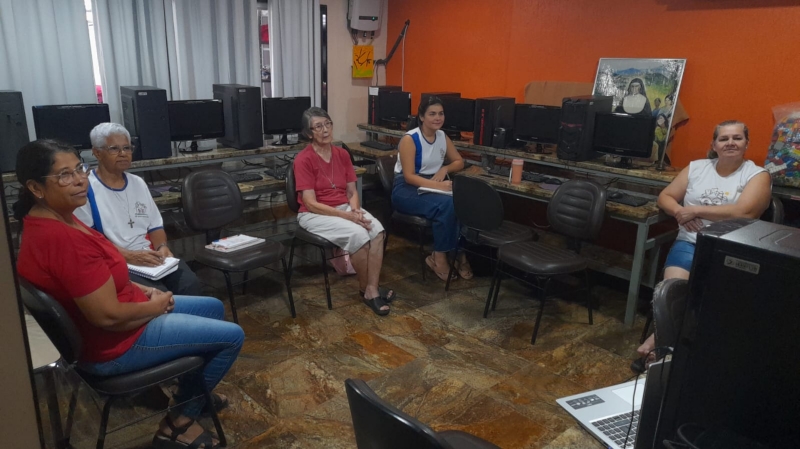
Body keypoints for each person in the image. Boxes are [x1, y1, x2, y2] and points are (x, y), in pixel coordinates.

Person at [14, 139, 244, 449]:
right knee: (232, 337)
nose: (80, 180)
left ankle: (193, 394)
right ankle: (179, 422)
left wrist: (142, 289)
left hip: (121, 319)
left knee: (213, 307)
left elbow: (102, 277)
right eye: (64, 175)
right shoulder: (62, 240)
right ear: (36, 187)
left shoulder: (57, 218)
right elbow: (107, 316)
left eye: (79, 169)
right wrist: (156, 306)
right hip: (114, 345)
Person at [637, 120, 771, 360]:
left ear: (746, 143)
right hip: (689, 243)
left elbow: (745, 212)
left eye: (737, 138)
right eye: (724, 138)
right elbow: (665, 196)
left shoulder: (757, 175)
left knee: (709, 299)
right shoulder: (697, 168)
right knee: (673, 292)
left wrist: (695, 210)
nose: (730, 143)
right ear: (714, 144)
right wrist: (680, 211)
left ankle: (661, 342)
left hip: (730, 250)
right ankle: (667, 351)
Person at [74, 123, 202, 296]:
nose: (123, 153)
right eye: (114, 149)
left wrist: (162, 247)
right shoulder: (86, 190)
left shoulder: (138, 183)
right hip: (117, 260)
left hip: (149, 255)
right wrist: (130, 256)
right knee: (160, 295)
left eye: (127, 148)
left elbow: (155, 226)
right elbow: (91, 242)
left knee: (190, 283)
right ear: (97, 153)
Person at [293, 107, 396, 316]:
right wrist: (348, 217)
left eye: (327, 124)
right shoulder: (303, 159)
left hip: (345, 207)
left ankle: (371, 288)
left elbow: (351, 191)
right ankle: (369, 291)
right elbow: (310, 203)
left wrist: (356, 211)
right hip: (314, 214)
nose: (325, 130)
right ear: (309, 133)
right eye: (318, 127)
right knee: (359, 235)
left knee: (377, 231)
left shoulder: (341, 154)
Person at [392, 95, 471, 281]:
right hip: (406, 189)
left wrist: (445, 168)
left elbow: (459, 161)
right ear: (421, 117)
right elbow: (410, 177)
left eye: (441, 114)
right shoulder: (410, 139)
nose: (438, 118)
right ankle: (440, 256)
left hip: (431, 185)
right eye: (432, 114)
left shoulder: (442, 136)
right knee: (446, 205)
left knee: (463, 202)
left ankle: (459, 253)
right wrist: (439, 186)